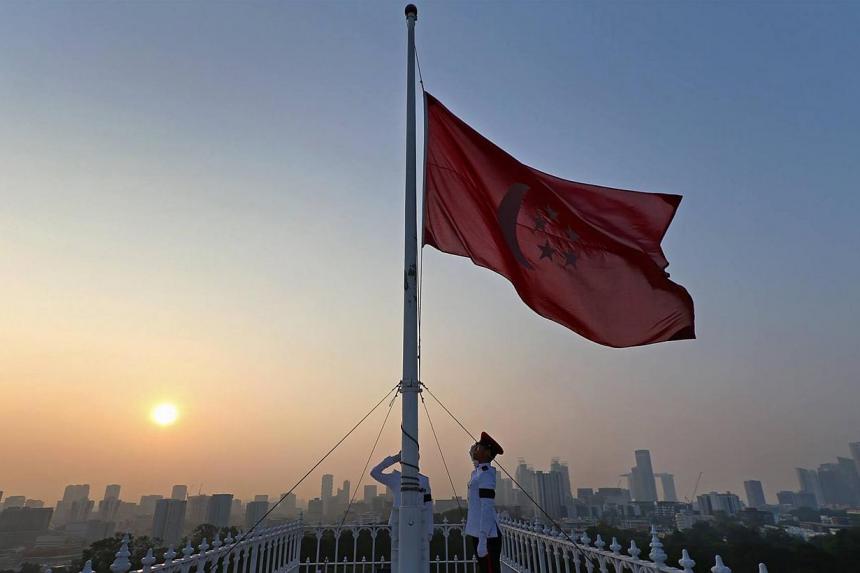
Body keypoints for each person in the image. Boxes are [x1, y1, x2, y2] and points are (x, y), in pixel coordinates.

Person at [370, 452, 434, 572]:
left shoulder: (424, 481)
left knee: (418, 556)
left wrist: (429, 529)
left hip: (418, 523)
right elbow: (374, 473)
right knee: (397, 556)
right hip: (398, 523)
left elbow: (428, 506)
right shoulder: (395, 478)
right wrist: (394, 459)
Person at [465, 432, 504, 573]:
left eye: (479, 447)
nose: (475, 449)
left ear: (487, 452)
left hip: (487, 535)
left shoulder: (486, 475)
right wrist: (473, 457)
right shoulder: (479, 472)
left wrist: (482, 538)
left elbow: (486, 507)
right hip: (480, 532)